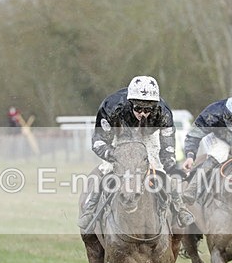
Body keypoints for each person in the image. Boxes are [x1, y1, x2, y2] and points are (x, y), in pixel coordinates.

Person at [77, 75, 195, 230]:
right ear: (130, 103)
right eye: (138, 108)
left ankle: (180, 209)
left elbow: (167, 149)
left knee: (160, 169)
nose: (143, 114)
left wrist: (170, 167)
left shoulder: (164, 113)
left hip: (148, 138)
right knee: (106, 168)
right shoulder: (111, 107)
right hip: (119, 137)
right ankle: (90, 209)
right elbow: (98, 142)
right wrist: (114, 155)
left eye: (148, 110)